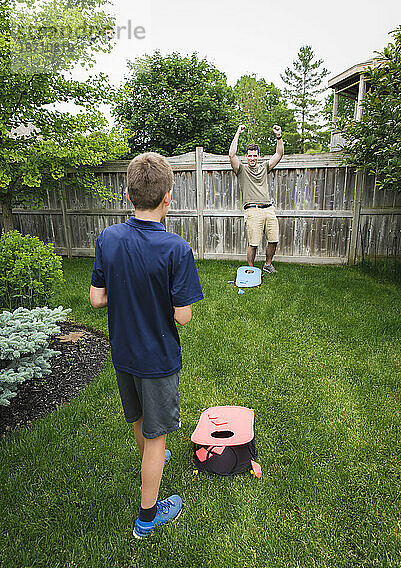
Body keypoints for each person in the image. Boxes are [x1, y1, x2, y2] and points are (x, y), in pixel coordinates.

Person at [90, 152, 204, 539]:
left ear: (127, 194)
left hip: (123, 353)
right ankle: (147, 517)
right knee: (157, 438)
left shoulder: (107, 238)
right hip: (158, 359)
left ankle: (150, 460)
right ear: (168, 197)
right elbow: (183, 315)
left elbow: (97, 299)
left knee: (140, 420)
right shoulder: (176, 249)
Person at [229, 124, 284, 272]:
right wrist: (237, 133)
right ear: (246, 157)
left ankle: (267, 264)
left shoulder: (264, 167)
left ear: (258, 156)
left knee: (273, 240)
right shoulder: (241, 170)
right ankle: (251, 268)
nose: (252, 158)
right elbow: (231, 156)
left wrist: (278, 136)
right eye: (250, 155)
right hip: (253, 210)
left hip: (269, 209)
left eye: (255, 155)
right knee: (253, 243)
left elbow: (279, 154)